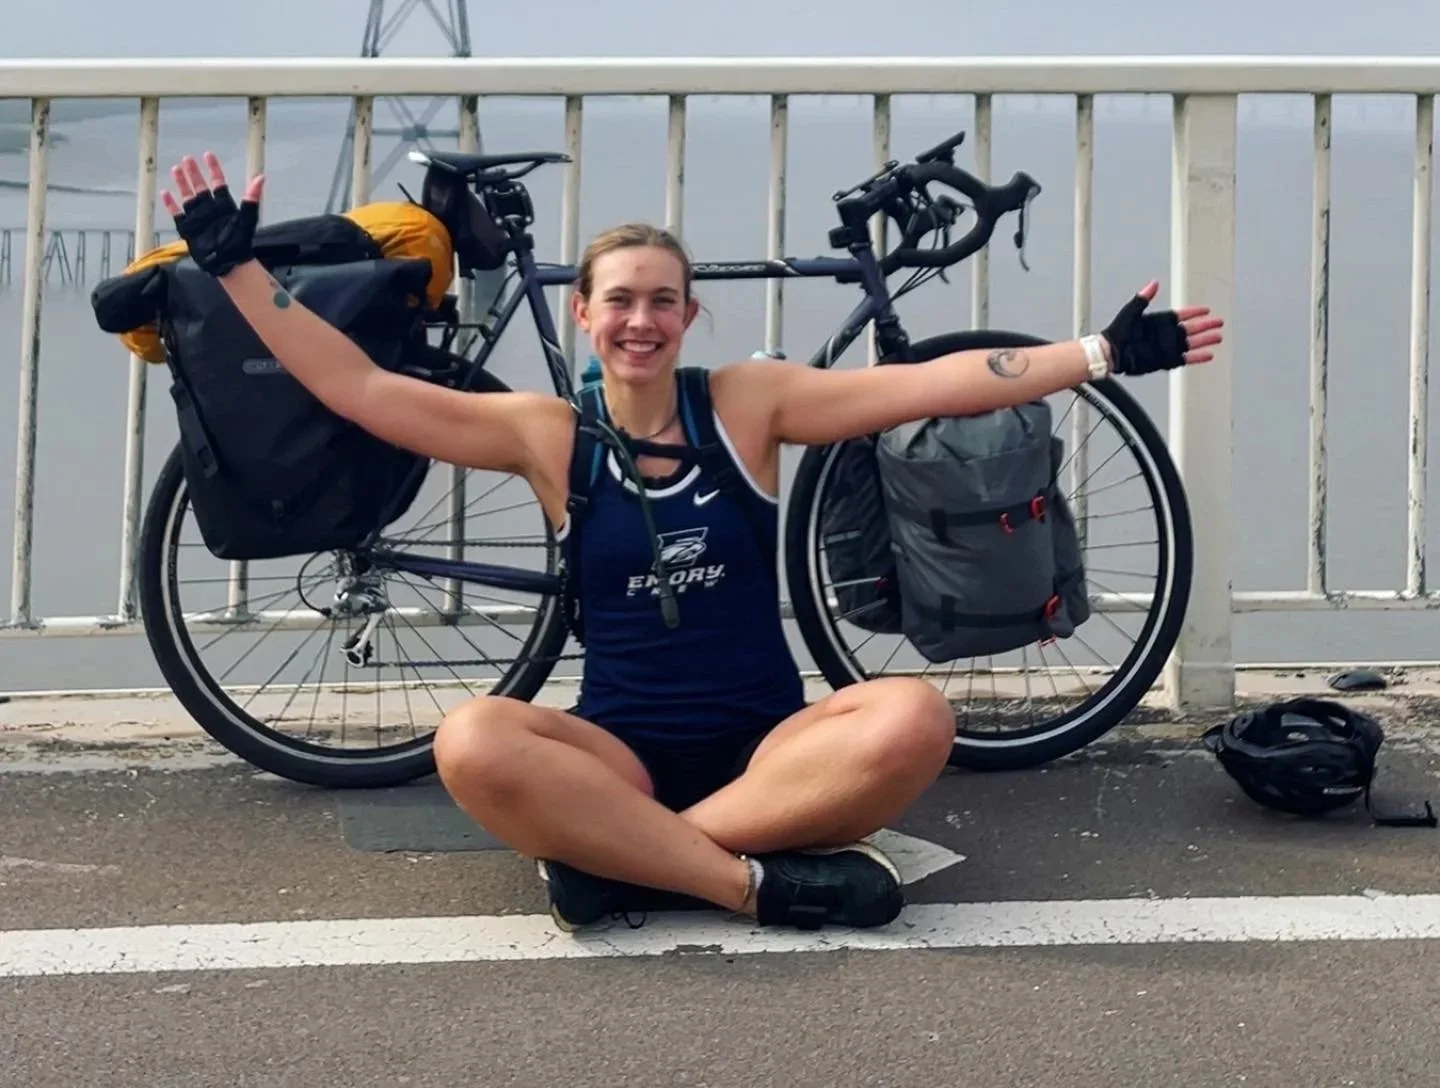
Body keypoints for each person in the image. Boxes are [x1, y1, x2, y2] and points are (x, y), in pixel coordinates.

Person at [160, 150, 1225, 934]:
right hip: (616, 756)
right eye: (620, 301)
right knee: (470, 741)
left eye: (662, 302)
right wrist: (237, 270)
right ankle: (745, 883)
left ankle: (627, 861)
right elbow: (357, 386)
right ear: (584, 317)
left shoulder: (747, 406)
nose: (642, 320)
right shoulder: (547, 435)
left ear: (689, 316)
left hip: (771, 754)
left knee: (915, 715)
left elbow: (927, 385)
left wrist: (1098, 353)